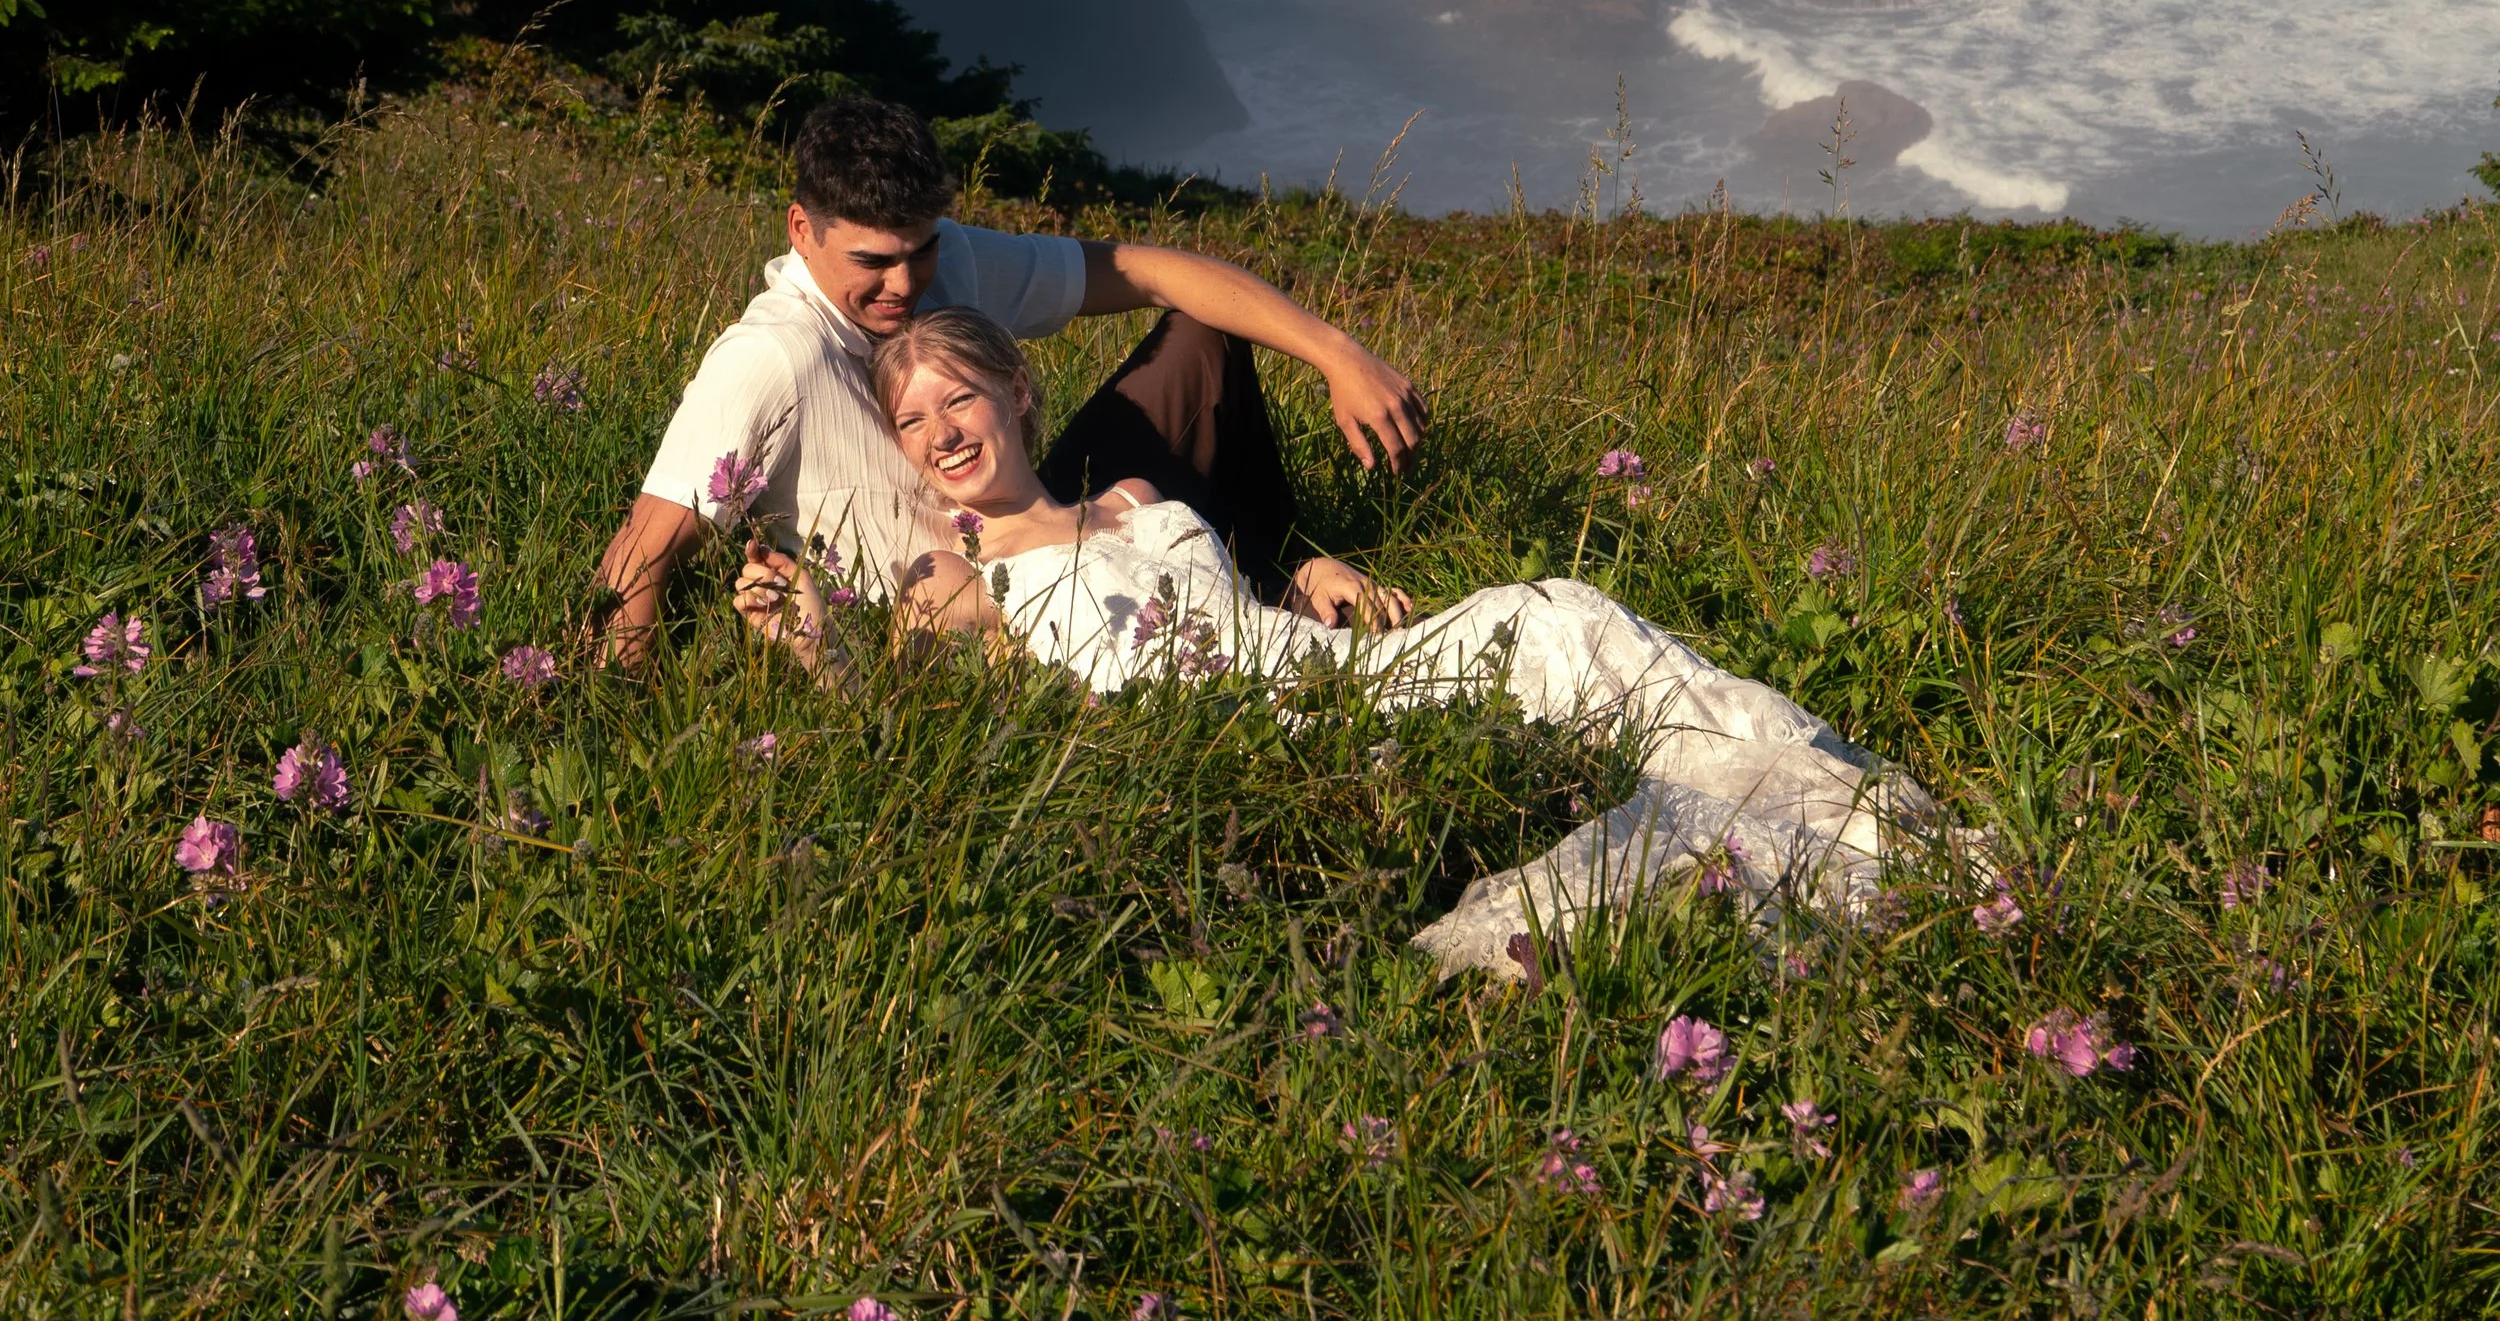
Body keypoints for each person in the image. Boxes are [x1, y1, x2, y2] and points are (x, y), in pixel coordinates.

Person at [732, 304, 1934, 982]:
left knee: (1555, 611)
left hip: (1321, 667)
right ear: (897, 450)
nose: (942, 431)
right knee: (1553, 648)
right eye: (912, 420)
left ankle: (1826, 794)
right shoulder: (953, 576)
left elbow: (1223, 590)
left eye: (960, 400)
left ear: (1016, 398)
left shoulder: (1135, 492)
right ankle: (1768, 836)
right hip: (1258, 728)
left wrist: (1306, 565)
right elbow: (889, 721)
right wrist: (807, 647)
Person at [592, 94, 1424, 664]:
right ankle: (1272, 601)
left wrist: (1336, 353)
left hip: (1041, 519)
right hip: (951, 612)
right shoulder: (771, 357)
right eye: (873, 263)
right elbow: (644, 548)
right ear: (801, 229)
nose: (905, 286)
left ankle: (1270, 584)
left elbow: (1151, 271)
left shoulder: (942, 259)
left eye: (920, 251)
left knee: (1203, 335)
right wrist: (616, 715)